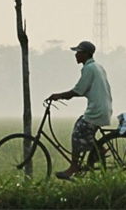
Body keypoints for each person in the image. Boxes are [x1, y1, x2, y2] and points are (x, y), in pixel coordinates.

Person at [46, 40, 113, 180]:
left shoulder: (89, 69)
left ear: (86, 54)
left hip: (97, 111)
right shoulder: (97, 67)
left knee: (77, 133)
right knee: (80, 125)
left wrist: (58, 96)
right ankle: (98, 149)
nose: (76, 55)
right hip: (102, 108)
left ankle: (74, 166)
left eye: (79, 53)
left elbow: (78, 90)